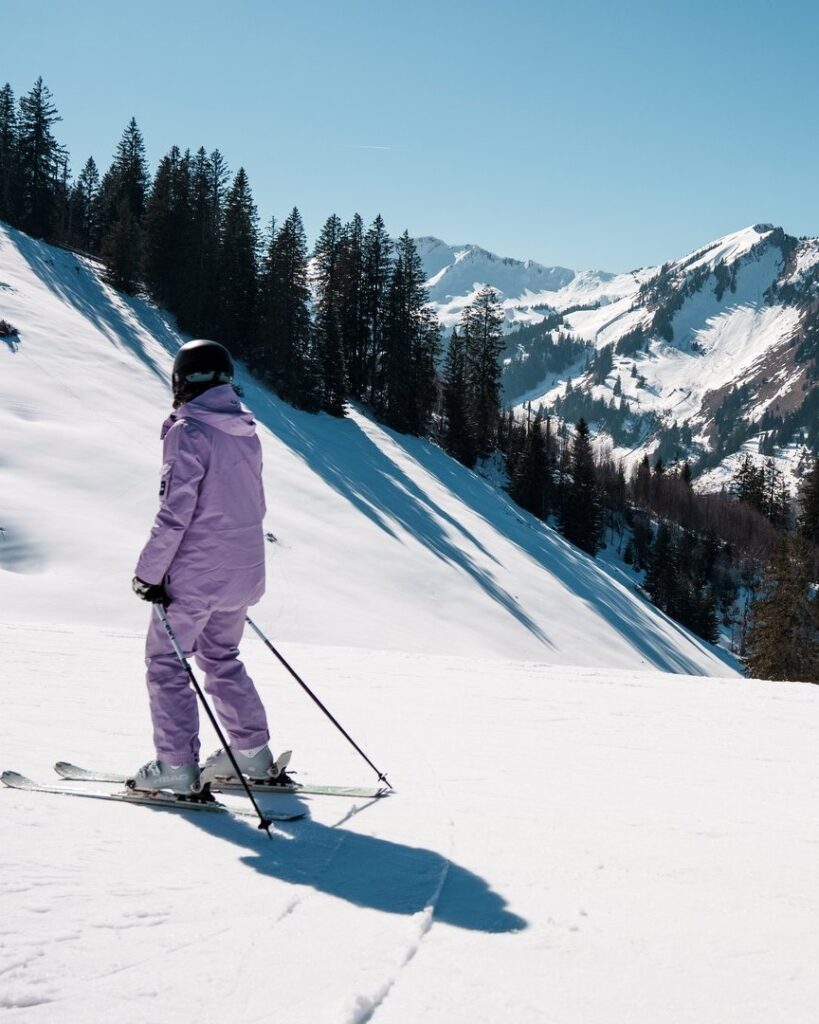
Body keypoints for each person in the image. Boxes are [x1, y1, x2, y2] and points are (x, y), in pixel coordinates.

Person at [130, 339, 277, 794]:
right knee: (221, 655)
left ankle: (175, 766)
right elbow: (258, 504)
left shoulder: (188, 431)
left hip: (196, 575)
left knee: (167, 662)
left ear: (180, 381)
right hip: (243, 571)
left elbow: (176, 512)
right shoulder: (244, 430)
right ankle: (252, 756)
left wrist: (149, 573)